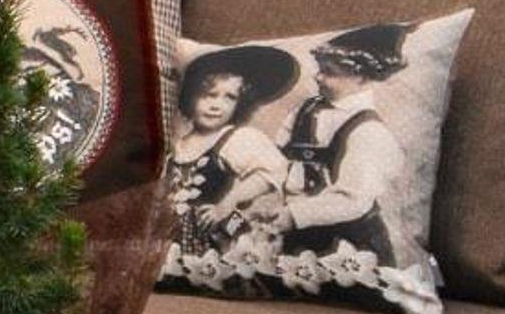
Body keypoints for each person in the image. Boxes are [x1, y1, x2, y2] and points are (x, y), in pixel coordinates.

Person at [275, 23, 413, 271]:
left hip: (349, 238)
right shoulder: (305, 111)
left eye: (329, 72)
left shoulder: (369, 131)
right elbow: (277, 157)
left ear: (361, 77)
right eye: (320, 69)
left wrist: (293, 215)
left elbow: (352, 200)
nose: (318, 77)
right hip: (297, 229)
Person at [166, 45, 297, 286]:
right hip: (170, 238)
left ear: (242, 102)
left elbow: (271, 172)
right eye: (209, 95)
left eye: (230, 97)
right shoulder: (178, 143)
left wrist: (228, 203)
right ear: (188, 95)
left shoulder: (236, 138)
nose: (217, 105)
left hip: (212, 238)